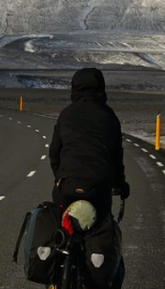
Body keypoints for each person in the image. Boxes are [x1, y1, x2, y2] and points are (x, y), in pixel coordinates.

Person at [49, 67, 130, 219]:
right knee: (104, 224)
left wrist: (61, 176)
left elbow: (54, 153)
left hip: (68, 184)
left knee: (59, 222)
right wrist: (120, 186)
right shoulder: (109, 116)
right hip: (99, 185)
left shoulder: (66, 114)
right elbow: (116, 158)